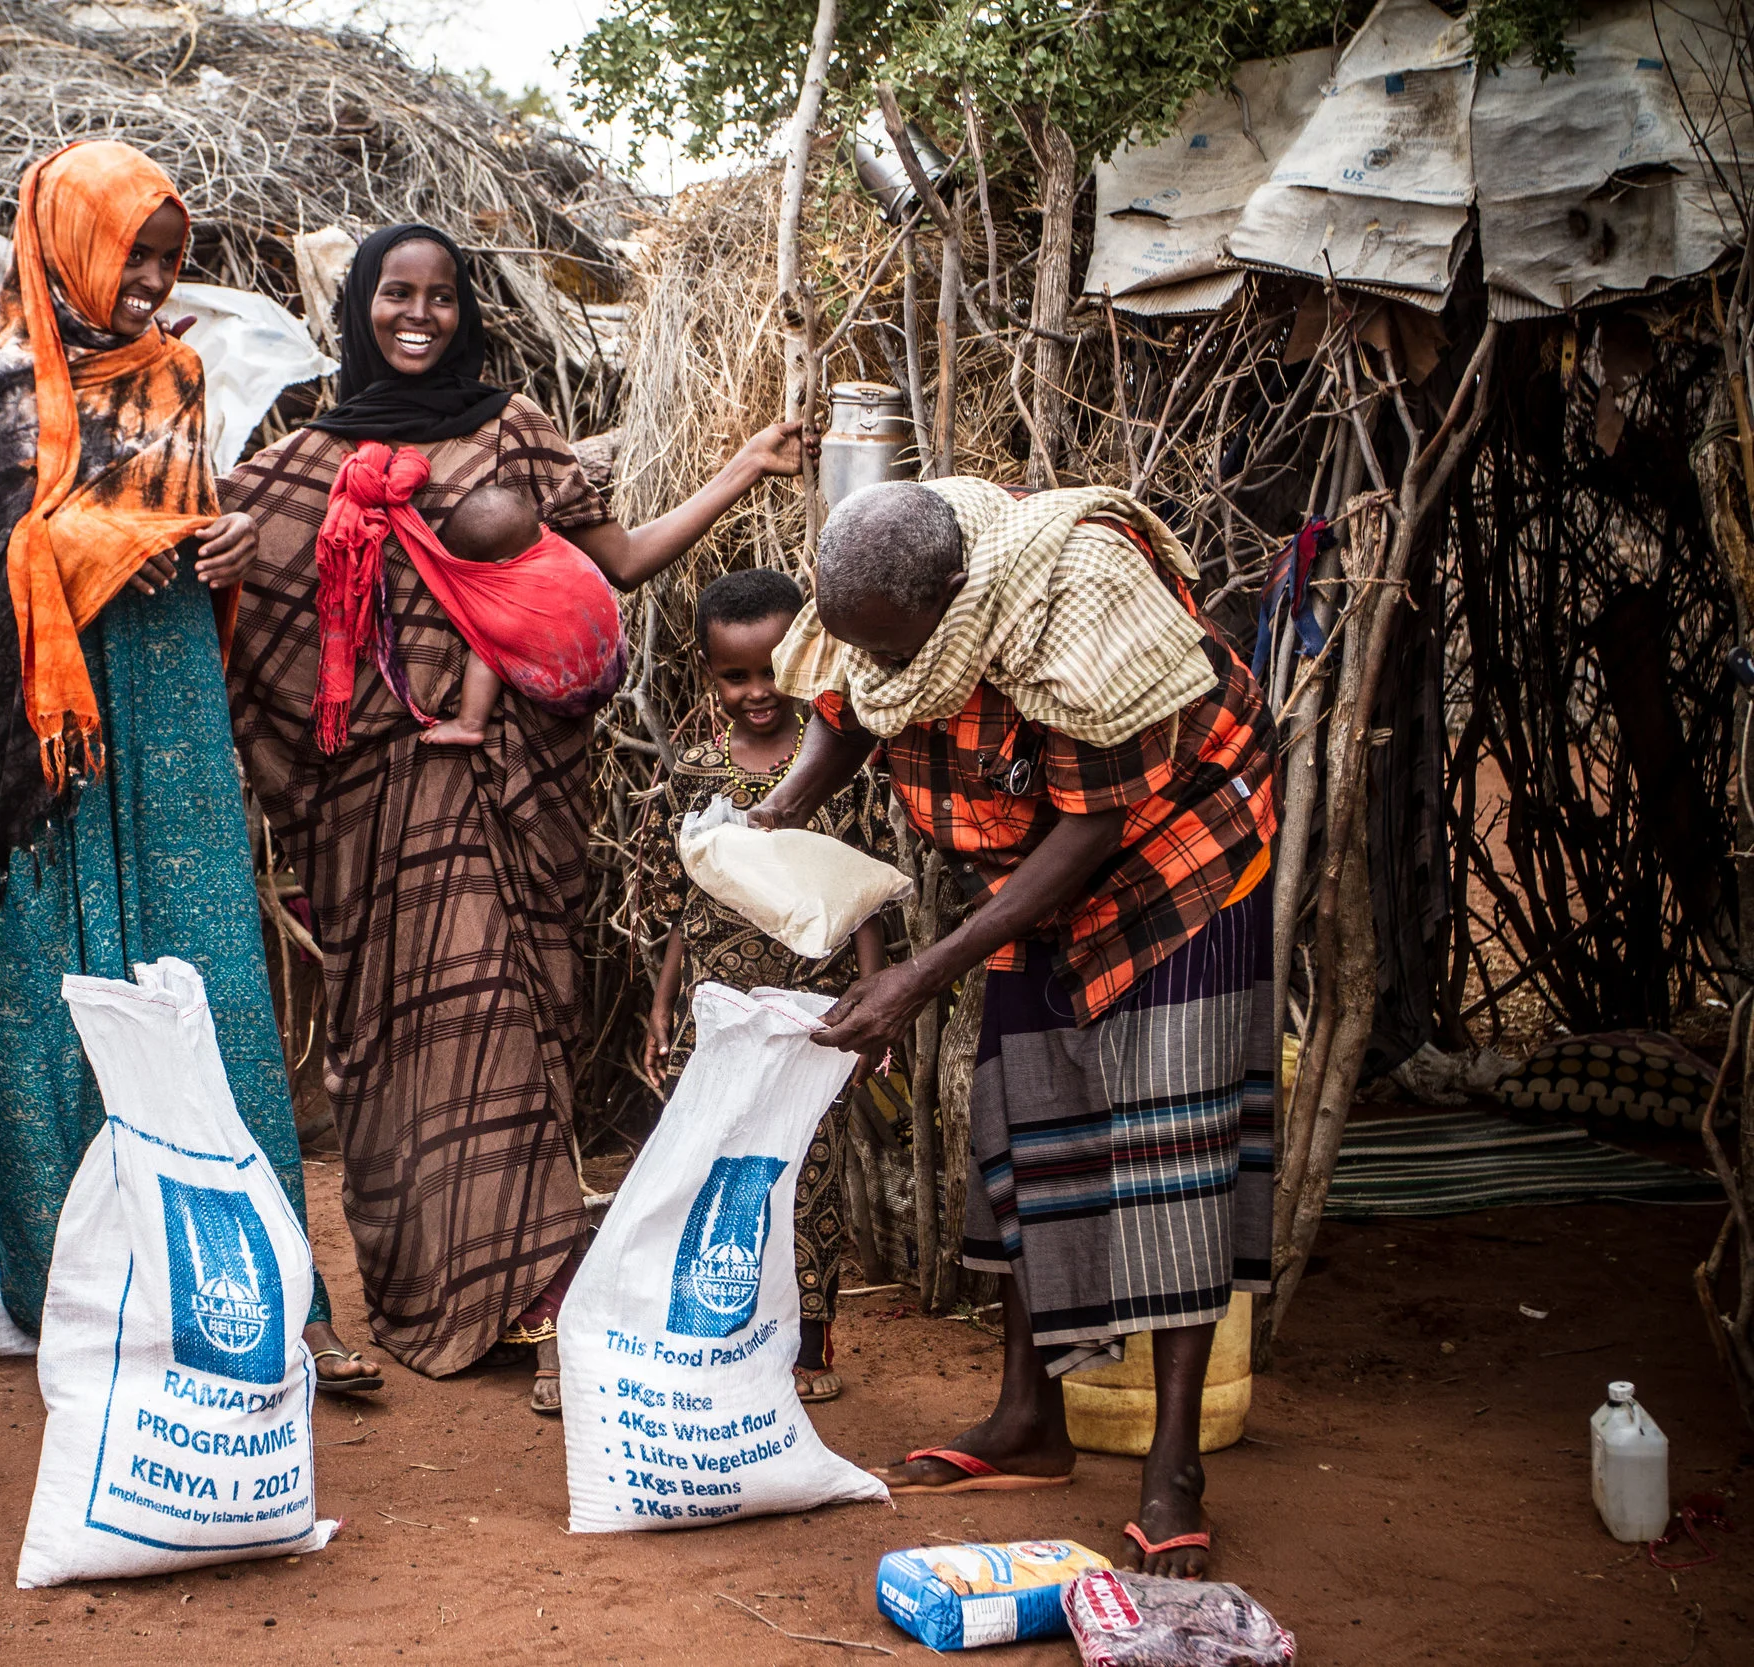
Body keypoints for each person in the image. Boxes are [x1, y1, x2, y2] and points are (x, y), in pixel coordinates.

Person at [210, 221, 803, 1412]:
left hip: (507, 787)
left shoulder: (514, 430)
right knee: (403, 1040)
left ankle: (539, 1295)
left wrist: (741, 464)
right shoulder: (298, 464)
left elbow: (617, 564)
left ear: (466, 310)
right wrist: (203, 561)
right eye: (395, 294)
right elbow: (244, 598)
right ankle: (437, 1283)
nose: (417, 314)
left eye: (439, 295)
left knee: (506, 1022)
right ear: (360, 308)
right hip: (374, 803)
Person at [755, 477, 1277, 1578]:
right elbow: (852, 705)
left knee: (1170, 1144)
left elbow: (1095, 826)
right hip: (1031, 861)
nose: (886, 670)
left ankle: (1172, 1467)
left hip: (1175, 855)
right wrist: (774, 811)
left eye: (902, 646)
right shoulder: (875, 591)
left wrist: (923, 973)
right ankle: (1026, 1419)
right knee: (1027, 1115)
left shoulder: (1081, 599)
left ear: (954, 594)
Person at [0, 139, 377, 1391]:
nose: (151, 281)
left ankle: (282, 1295)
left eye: (171, 260)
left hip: (171, 705)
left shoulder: (178, 376)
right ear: (72, 244)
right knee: (58, 995)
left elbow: (184, 520)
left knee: (210, 987)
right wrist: (115, 540)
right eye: (134, 255)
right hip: (47, 738)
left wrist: (223, 535)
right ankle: (77, 1297)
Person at [638, 569, 901, 1403]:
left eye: (770, 671)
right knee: (717, 1162)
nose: (756, 692)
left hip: (813, 1009)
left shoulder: (837, 763)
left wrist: (871, 1004)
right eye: (734, 675)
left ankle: (809, 1344)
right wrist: (661, 1007)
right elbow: (688, 900)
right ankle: (722, 1325)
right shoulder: (697, 772)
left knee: (809, 1170)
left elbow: (864, 896)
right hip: (719, 1008)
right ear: (708, 672)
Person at [414, 483, 620, 747]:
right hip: (615, 659)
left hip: (567, 697)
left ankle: (470, 724)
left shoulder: (505, 612)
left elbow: (472, 620)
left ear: (500, 565)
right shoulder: (557, 543)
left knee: (483, 647)